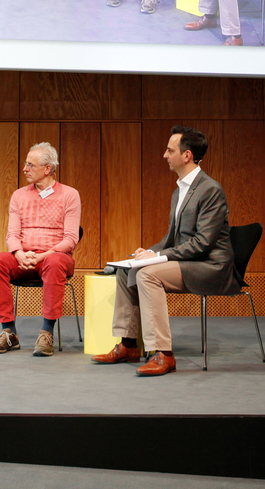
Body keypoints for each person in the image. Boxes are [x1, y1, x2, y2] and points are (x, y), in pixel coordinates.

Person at [92, 126, 237, 376]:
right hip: (188, 262)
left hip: (211, 266)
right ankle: (128, 345)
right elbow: (171, 239)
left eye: (170, 150)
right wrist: (146, 252)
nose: (164, 155)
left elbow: (203, 243)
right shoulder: (178, 191)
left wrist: (158, 258)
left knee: (148, 275)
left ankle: (164, 355)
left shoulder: (210, 189)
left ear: (187, 155)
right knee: (128, 272)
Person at [0, 142, 80, 357]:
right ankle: (9, 332)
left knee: (55, 262)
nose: (25, 169)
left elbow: (71, 239)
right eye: (25, 164)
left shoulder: (70, 195)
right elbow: (12, 235)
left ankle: (47, 332)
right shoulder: (19, 195)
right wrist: (18, 254)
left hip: (54, 257)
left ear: (47, 168)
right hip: (23, 256)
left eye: (30, 164)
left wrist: (41, 257)